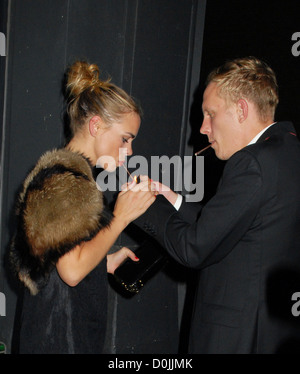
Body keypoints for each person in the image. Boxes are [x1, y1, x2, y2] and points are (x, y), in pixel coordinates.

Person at [132, 56, 300, 353]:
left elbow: (193, 248)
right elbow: (239, 227)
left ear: (241, 110)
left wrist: (138, 201)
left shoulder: (252, 163)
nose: (203, 129)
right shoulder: (288, 150)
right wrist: (174, 200)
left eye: (210, 114)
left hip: (236, 339)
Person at [9, 61, 156, 354]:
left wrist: (104, 261)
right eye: (125, 139)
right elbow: (72, 272)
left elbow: (63, 258)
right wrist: (121, 218)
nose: (129, 152)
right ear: (96, 125)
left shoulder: (69, 176)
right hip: (58, 338)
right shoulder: (64, 179)